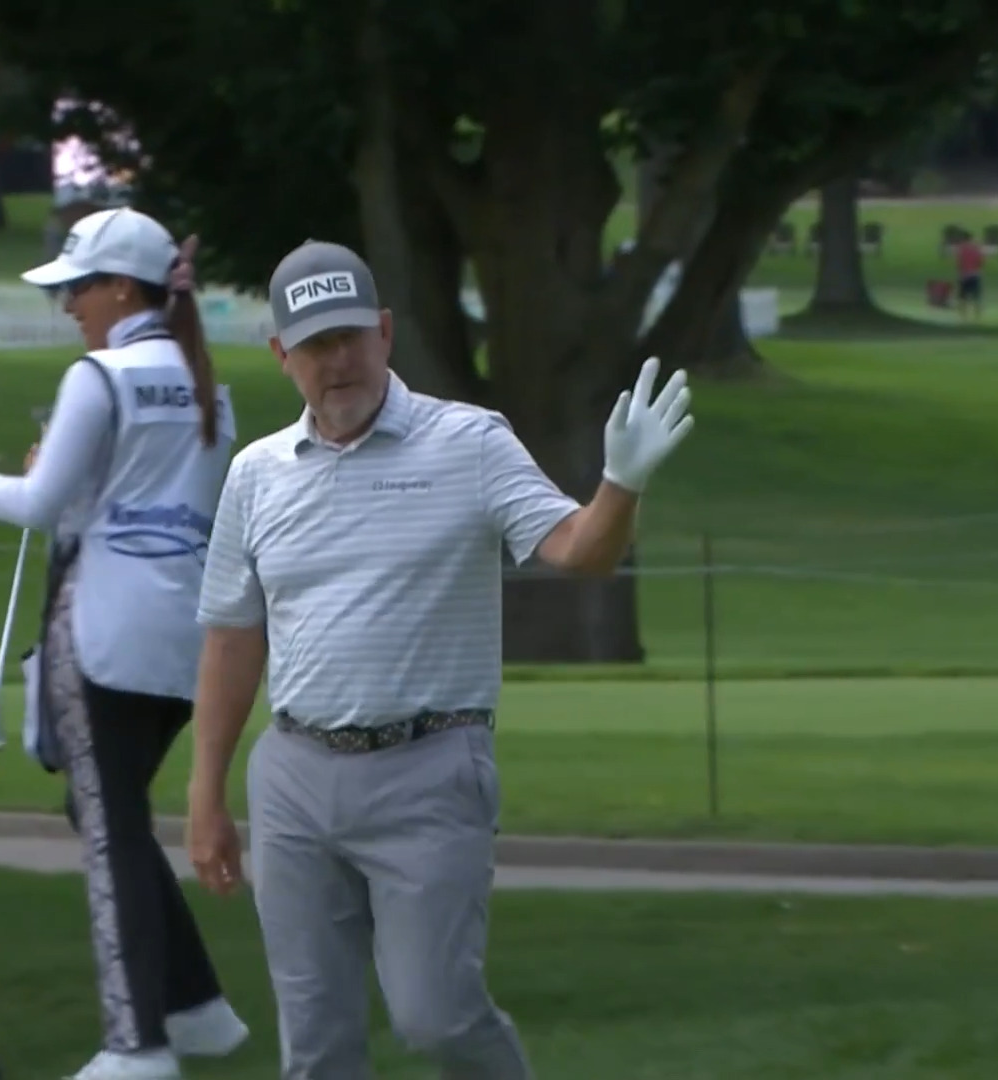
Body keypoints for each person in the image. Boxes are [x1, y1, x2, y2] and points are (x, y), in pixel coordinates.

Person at [183, 240, 694, 1079]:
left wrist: (621, 485)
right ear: (282, 356)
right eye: (314, 344)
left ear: (385, 332)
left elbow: (578, 550)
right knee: (315, 1045)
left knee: (437, 1019)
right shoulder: (256, 475)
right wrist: (205, 794)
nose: (337, 359)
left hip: (430, 770)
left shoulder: (467, 442)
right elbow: (233, 638)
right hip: (294, 778)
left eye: (351, 335)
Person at [0, 206, 249, 1080]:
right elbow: (150, 502)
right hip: (188, 639)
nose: (68, 304)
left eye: (77, 286)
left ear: (118, 287)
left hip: (101, 633)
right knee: (106, 814)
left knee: (107, 831)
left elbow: (39, 508)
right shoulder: (210, 387)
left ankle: (136, 1047)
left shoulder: (98, 378)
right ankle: (197, 1009)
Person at [954, 229, 986, 321]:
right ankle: (978, 316)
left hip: (964, 276)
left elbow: (959, 263)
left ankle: (963, 317)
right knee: (977, 297)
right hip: (975, 275)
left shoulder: (961, 249)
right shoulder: (976, 248)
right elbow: (981, 262)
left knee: (963, 298)